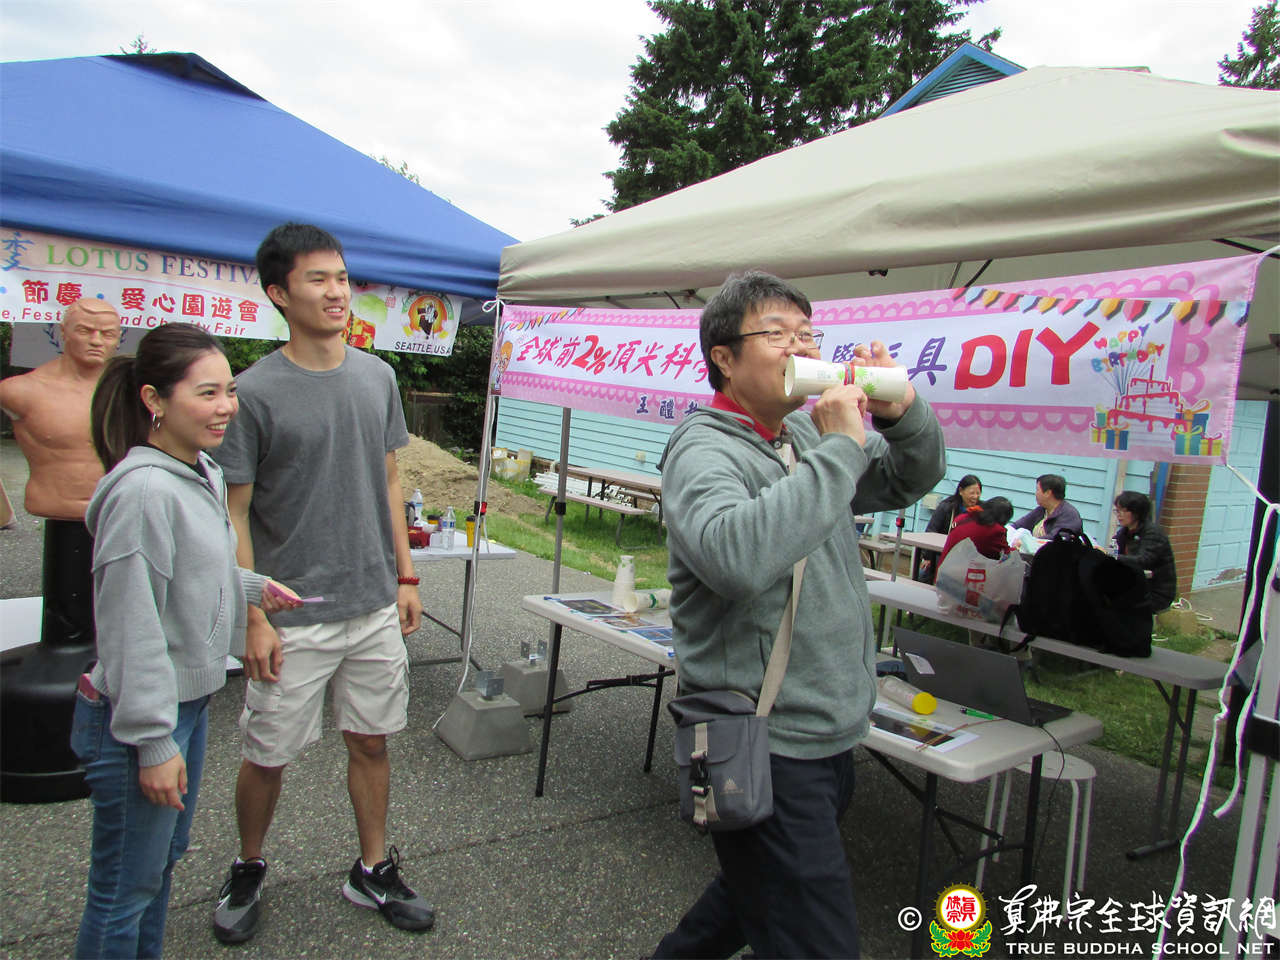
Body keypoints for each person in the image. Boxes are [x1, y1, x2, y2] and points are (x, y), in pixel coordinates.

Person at [652, 270, 945, 959]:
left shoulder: (806, 435)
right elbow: (734, 558)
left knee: (750, 897)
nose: (801, 347)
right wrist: (842, 446)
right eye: (777, 334)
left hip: (827, 730)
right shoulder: (704, 449)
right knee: (812, 936)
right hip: (765, 739)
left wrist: (901, 409)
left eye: (808, 334)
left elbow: (911, 475)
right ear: (724, 358)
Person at [209, 223, 431, 944]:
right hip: (291, 612)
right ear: (280, 293)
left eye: (341, 277)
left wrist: (405, 575)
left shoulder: (378, 377)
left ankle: (372, 869)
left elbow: (391, 480)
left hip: (372, 603)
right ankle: (248, 865)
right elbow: (236, 512)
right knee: (267, 753)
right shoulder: (251, 393)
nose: (337, 292)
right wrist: (253, 615)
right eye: (318, 279)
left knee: (372, 742)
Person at [74, 323, 299, 959]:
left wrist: (251, 586)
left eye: (230, 391)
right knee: (123, 891)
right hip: (143, 717)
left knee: (157, 869)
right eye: (207, 393)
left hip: (187, 705)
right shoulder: (144, 492)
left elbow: (190, 570)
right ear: (154, 399)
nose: (226, 407)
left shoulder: (197, 469)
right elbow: (131, 629)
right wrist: (152, 742)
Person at [1110, 491, 1177, 612]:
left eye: (1124, 511)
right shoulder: (1125, 532)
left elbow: (1144, 560)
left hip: (1155, 591)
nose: (1119, 515)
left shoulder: (1153, 533)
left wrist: (1114, 557)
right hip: (1135, 584)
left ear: (1137, 512)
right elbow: (1114, 548)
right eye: (1117, 511)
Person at [917, 474, 982, 583]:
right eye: (972, 493)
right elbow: (931, 531)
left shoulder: (981, 511)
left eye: (978, 493)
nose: (975, 497)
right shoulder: (946, 507)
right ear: (961, 491)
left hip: (968, 558)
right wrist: (928, 557)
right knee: (923, 575)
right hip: (942, 553)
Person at [937, 496, 1015, 567]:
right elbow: (1006, 556)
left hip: (943, 570)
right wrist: (1015, 549)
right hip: (962, 575)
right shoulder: (995, 530)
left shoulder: (962, 517)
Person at [1012, 473, 1083, 538]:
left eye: (1037, 490)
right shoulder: (1041, 510)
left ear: (1048, 493)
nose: (1035, 493)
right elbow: (1016, 526)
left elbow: (1055, 539)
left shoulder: (1069, 514)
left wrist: (1029, 542)